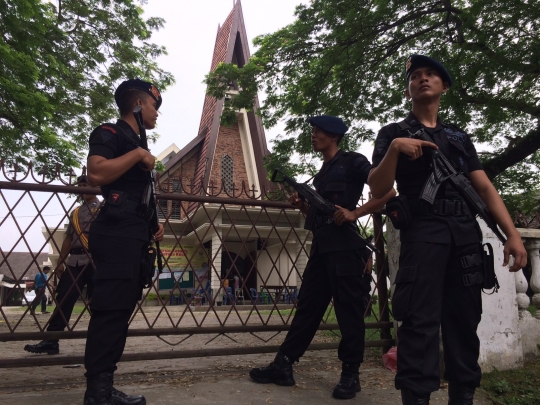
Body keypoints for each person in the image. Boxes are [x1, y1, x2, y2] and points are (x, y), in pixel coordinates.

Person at [368, 55, 528, 405]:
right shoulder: (393, 133)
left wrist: (512, 234)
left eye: (431, 75)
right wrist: (395, 151)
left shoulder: (458, 138)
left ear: (444, 86)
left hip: (465, 235)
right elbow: (377, 189)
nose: (423, 79)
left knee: (464, 321)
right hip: (423, 233)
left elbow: (484, 188)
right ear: (409, 89)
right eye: (416, 76)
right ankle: (417, 397)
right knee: (418, 323)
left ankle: (464, 396)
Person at [249, 115, 395, 400]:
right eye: (313, 132)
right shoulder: (322, 172)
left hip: (346, 250)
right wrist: (304, 206)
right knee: (308, 309)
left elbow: (388, 190)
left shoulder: (353, 161)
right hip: (322, 248)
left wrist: (356, 213)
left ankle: (350, 375)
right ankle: (284, 364)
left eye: (317, 132)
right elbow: (320, 218)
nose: (313, 136)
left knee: (349, 313)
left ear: (333, 136)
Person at [84, 79, 165, 405]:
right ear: (137, 105)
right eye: (153, 106)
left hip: (133, 234)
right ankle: (96, 393)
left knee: (119, 312)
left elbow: (139, 193)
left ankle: (104, 386)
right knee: (109, 312)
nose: (157, 114)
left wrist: (153, 225)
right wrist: (137, 155)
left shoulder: (135, 140)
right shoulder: (110, 133)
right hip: (115, 234)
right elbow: (97, 174)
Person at [24, 175, 100, 355]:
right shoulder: (76, 212)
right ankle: (51, 341)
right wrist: (60, 262)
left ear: (96, 187)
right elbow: (68, 238)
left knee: (99, 302)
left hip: (96, 261)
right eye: (80, 186)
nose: (82, 189)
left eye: (85, 185)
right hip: (74, 261)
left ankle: (100, 343)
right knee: (63, 299)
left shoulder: (104, 209)